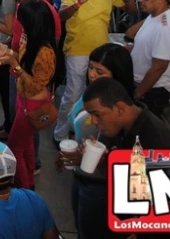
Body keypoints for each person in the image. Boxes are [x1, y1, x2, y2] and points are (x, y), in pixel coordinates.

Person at [71, 78, 170, 239]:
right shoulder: (124, 127)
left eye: (97, 115)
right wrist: (104, 160)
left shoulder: (159, 146)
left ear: (119, 108)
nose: (93, 122)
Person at [54, 0, 137, 143]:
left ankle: (87, 134)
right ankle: (60, 135)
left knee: (98, 95)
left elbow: (132, 10)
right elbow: (60, 16)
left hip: (101, 53)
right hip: (77, 49)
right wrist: (78, 4)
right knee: (74, 93)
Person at [55, 45, 133, 239]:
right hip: (82, 173)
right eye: (90, 68)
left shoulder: (121, 116)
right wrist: (74, 151)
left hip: (101, 186)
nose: (92, 75)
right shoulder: (89, 95)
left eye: (100, 71)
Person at [0, 0, 57, 190]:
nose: (17, 22)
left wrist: (12, 63)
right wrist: (8, 52)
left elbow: (35, 85)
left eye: (21, 19)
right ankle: (29, 179)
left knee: (15, 146)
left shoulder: (45, 52)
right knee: (26, 145)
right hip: (23, 98)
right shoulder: (30, 38)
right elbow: (23, 62)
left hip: (33, 103)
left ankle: (24, 186)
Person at [128, 0, 170, 116]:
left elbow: (159, 67)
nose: (139, 0)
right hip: (143, 86)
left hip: (151, 92)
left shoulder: (165, 28)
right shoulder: (153, 17)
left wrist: (137, 94)